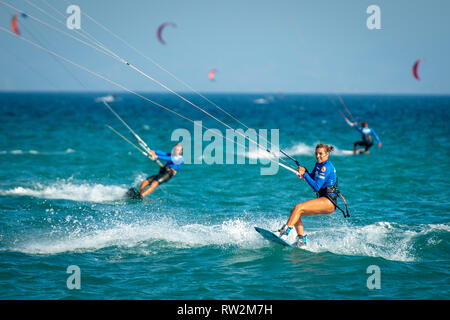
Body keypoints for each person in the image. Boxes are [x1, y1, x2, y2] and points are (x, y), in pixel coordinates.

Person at [275, 143, 348, 248]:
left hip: (329, 201)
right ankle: (301, 240)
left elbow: (316, 187)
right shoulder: (319, 164)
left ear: (327, 154)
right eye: (316, 153)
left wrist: (304, 174)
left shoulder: (326, 167)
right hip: (324, 199)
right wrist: (304, 171)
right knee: (294, 212)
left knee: (298, 207)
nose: (318, 156)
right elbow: (312, 177)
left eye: (321, 154)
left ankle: (284, 232)